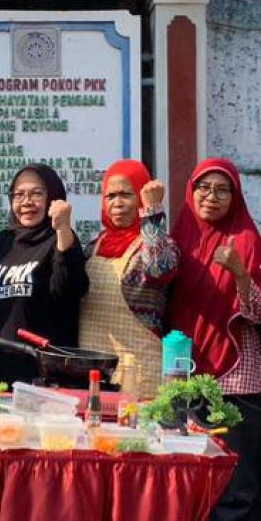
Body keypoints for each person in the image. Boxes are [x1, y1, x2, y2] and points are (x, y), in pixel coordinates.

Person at [168, 158, 261, 521]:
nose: (211, 197)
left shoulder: (247, 240)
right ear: (191, 192)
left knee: (237, 489)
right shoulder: (180, 240)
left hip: (237, 379)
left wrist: (240, 274)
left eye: (222, 189)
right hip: (187, 377)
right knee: (196, 487)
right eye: (204, 188)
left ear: (236, 198)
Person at [0, 163, 89, 385]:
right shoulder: (3, 240)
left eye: (37, 193)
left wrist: (63, 229)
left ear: (53, 197)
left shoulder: (60, 238)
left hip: (41, 377)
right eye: (18, 195)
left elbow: (70, 290)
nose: (26, 202)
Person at [79, 159, 178, 400]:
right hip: (94, 377)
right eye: (110, 196)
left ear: (141, 198)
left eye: (126, 195)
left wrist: (153, 211)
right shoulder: (92, 247)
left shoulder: (160, 244)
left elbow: (159, 268)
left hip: (142, 377)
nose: (118, 203)